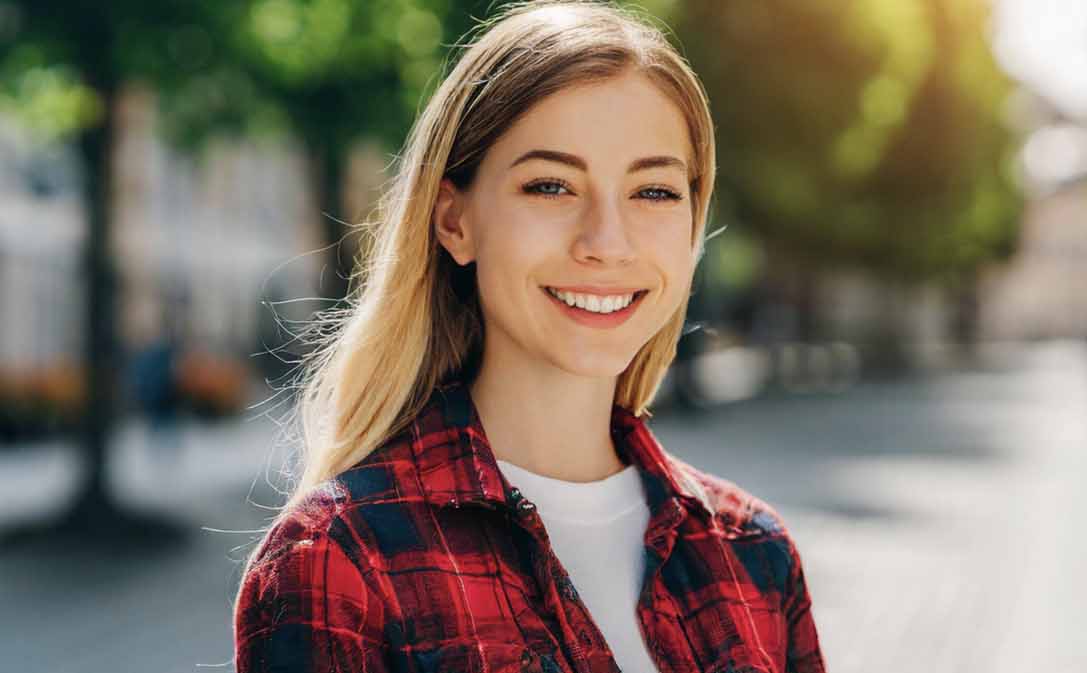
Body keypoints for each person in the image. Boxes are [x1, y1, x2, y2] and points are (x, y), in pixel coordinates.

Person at [232, 2, 827, 672]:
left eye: (654, 192)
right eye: (551, 185)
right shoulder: (337, 561)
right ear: (454, 220)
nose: (606, 242)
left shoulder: (755, 554)